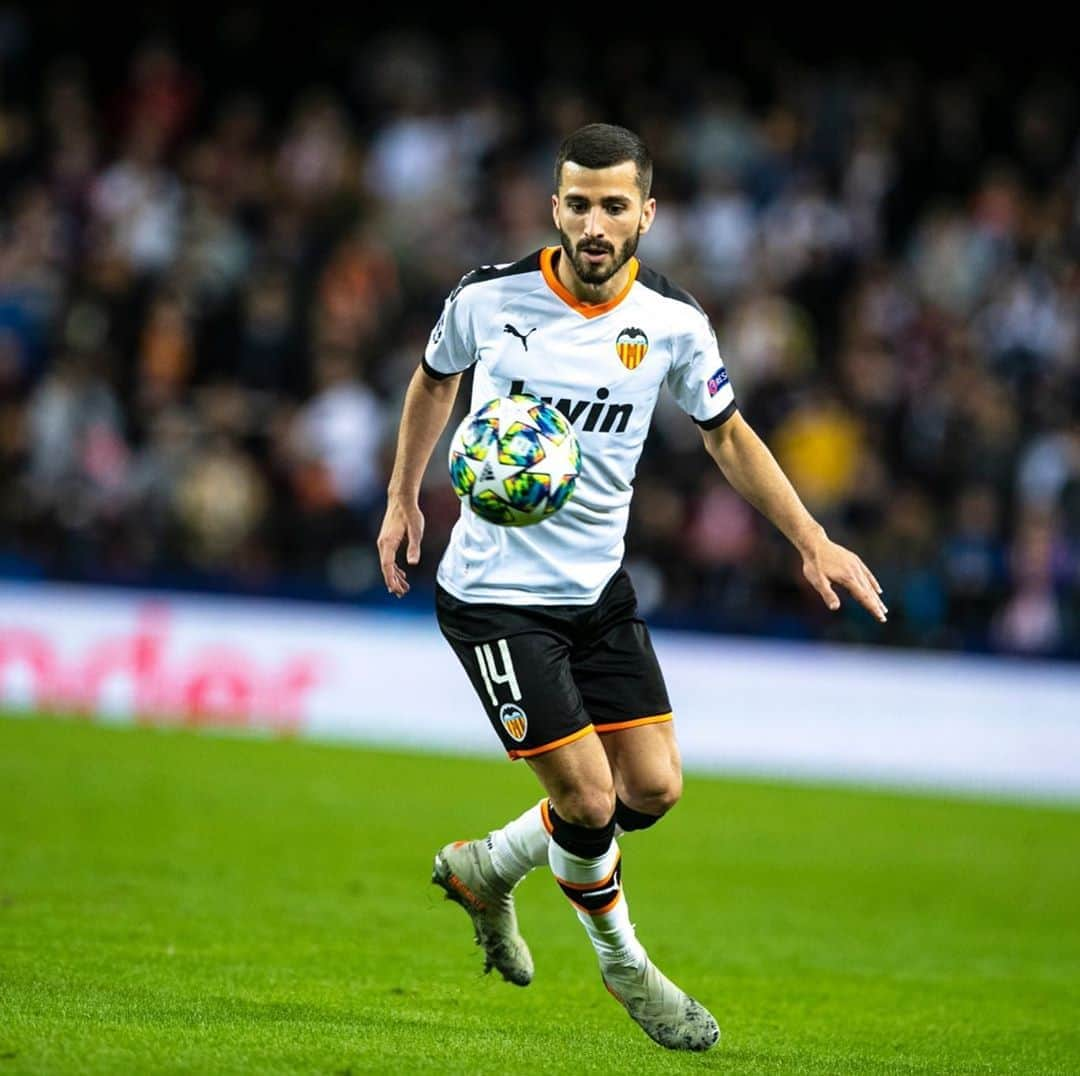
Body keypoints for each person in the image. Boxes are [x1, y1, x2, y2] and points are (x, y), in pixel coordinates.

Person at [376, 123, 887, 1053]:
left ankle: (486, 869)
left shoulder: (673, 322)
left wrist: (811, 539)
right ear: (555, 206)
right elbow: (431, 382)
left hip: (596, 593)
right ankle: (625, 967)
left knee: (650, 788)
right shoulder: (489, 299)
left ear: (647, 212)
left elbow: (726, 433)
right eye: (579, 202)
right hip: (495, 594)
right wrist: (402, 496)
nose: (596, 223)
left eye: (616, 205)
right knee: (587, 801)